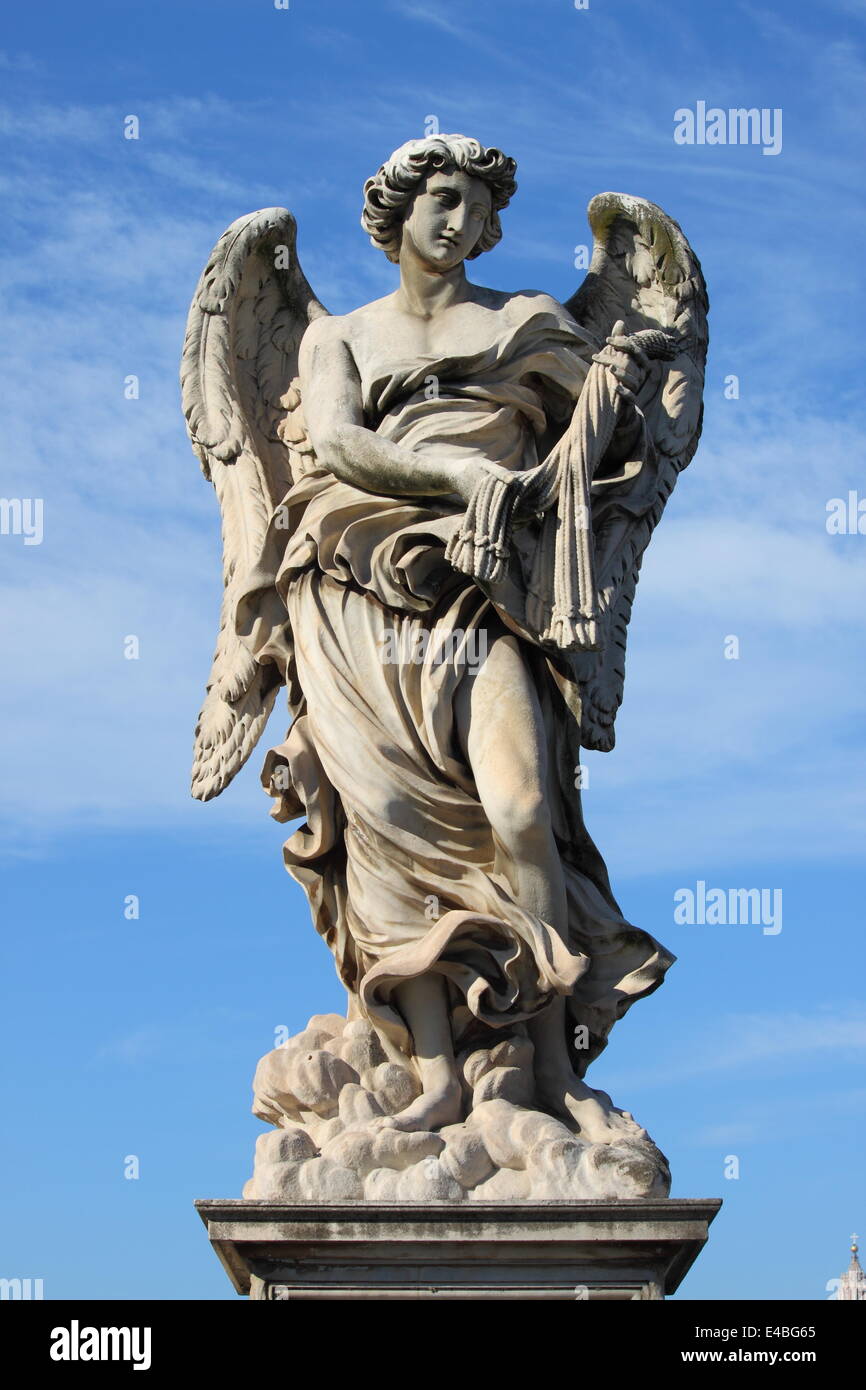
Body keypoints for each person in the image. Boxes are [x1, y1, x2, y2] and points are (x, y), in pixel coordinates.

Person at [262, 135, 673, 1142]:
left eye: (478, 210)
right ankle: (440, 1075)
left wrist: (616, 384)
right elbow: (345, 443)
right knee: (391, 835)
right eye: (442, 201)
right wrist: (460, 479)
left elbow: (609, 441)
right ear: (396, 211)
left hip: (489, 592)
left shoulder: (525, 320)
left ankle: (540, 1059)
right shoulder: (339, 337)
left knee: (521, 808)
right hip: (358, 588)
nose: (459, 223)